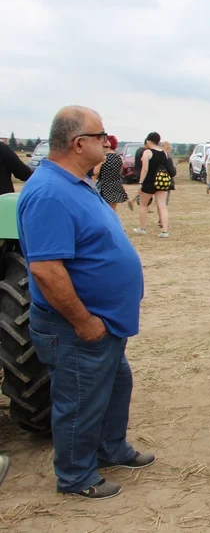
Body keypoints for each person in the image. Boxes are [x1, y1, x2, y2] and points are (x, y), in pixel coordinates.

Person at [16, 106, 154, 500]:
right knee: (79, 399)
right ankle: (76, 476)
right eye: (102, 136)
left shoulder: (74, 182)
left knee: (114, 384)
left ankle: (111, 449)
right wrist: (83, 321)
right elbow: (46, 270)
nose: (108, 143)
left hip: (103, 321)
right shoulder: (48, 194)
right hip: (79, 326)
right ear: (79, 144)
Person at [134, 132, 170, 237]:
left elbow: (145, 169)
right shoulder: (164, 153)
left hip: (149, 182)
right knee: (162, 206)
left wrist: (140, 182)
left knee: (143, 205)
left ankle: (142, 228)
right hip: (161, 181)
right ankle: (164, 230)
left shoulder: (147, 153)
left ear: (149, 141)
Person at [93, 135, 132, 211]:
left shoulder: (103, 157)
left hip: (105, 186)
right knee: (113, 210)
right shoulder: (119, 158)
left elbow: (95, 172)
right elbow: (120, 172)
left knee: (104, 209)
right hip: (116, 184)